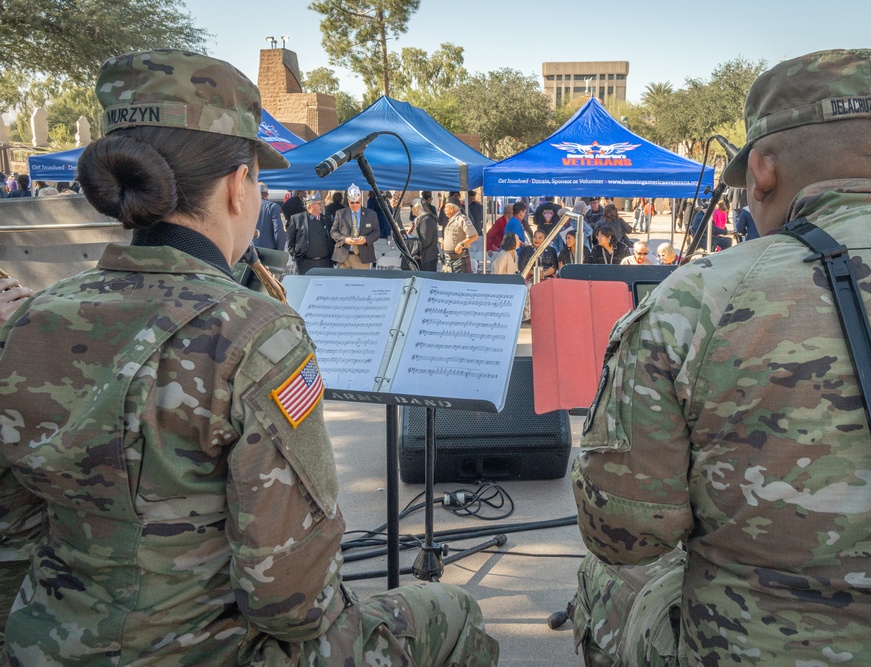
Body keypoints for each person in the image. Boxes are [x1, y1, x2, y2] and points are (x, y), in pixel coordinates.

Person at [0, 48, 498, 666]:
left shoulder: (30, 320)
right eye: (259, 179)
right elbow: (293, 603)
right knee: (451, 612)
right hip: (211, 651)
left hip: (42, 642)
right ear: (240, 185)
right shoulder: (254, 333)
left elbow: (12, 537)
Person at [572, 47, 871, 666]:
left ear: (764, 172)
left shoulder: (697, 298)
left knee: (607, 580)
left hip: (756, 650)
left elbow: (625, 534)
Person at [333, 184, 380, 269]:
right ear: (348, 201)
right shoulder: (340, 213)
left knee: (361, 281)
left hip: (362, 256)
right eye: (352, 203)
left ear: (360, 200)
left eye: (357, 202)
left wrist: (366, 239)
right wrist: (345, 239)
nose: (355, 205)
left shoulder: (371, 214)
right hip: (344, 255)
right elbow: (333, 232)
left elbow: (376, 232)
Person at [286, 192, 334, 274]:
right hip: (305, 263)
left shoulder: (326, 219)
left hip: (325, 262)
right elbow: (290, 238)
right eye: (319, 204)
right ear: (311, 206)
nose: (322, 206)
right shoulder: (297, 219)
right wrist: (293, 252)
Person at [441, 201, 479, 273]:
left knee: (460, 281)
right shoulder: (450, 220)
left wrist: (461, 244)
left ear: (452, 209)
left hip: (459, 258)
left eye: (446, 208)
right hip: (448, 259)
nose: (444, 210)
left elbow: (474, 236)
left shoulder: (462, 219)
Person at [408, 197, 440, 272]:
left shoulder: (426, 220)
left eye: (411, 207)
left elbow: (425, 241)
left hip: (427, 258)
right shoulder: (422, 219)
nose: (411, 209)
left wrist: (410, 241)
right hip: (422, 257)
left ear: (417, 207)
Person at [254, 182, 286, 251]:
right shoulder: (273, 207)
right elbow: (278, 230)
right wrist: (280, 250)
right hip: (268, 251)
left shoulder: (244, 207)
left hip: (248, 251)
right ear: (266, 195)